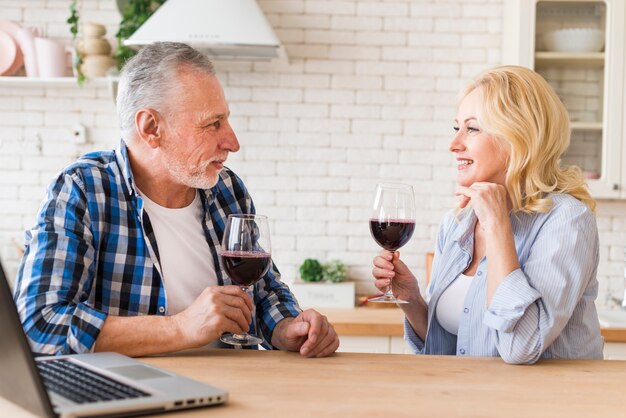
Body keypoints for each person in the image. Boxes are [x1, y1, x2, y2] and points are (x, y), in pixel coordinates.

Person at [14, 42, 339, 358]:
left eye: (226, 119)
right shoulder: (83, 189)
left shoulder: (228, 190)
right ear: (151, 127)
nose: (232, 141)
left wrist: (287, 328)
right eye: (213, 123)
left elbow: (262, 290)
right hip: (131, 397)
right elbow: (39, 325)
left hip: (236, 393)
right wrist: (180, 328)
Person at [371, 65, 603, 364]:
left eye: (473, 128)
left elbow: (522, 346)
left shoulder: (566, 219)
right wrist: (413, 300)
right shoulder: (458, 223)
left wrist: (497, 226)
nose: (454, 144)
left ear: (517, 136)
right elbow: (457, 343)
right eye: (457, 128)